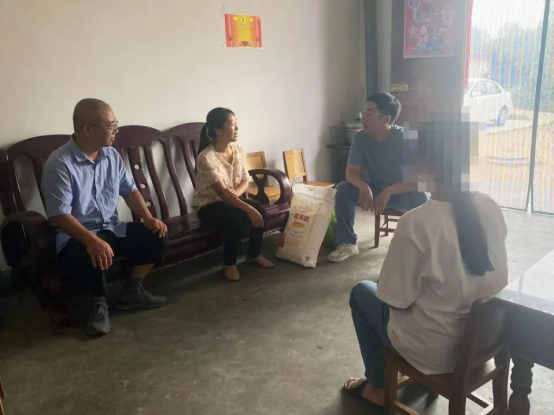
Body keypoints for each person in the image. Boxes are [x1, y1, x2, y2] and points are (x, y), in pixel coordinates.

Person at [342, 112, 509, 407]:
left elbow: (395, 300)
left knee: (361, 292)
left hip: (433, 353)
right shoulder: (488, 205)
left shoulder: (417, 222)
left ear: (427, 165)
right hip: (484, 341)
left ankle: (377, 388)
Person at [42, 98, 168, 337]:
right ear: (87, 129)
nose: (116, 130)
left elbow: (129, 190)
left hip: (111, 226)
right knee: (94, 253)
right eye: (111, 126)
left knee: (156, 236)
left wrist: (148, 217)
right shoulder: (60, 163)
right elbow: (60, 214)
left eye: (115, 124)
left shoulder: (111, 155)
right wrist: (92, 240)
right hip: (76, 235)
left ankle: (132, 289)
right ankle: (98, 304)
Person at [328, 93, 429, 263]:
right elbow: (351, 171)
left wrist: (390, 190)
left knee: (422, 197)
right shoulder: (360, 138)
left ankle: (422, 247)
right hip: (375, 190)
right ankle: (347, 243)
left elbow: (420, 180)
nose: (363, 118)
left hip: (403, 193)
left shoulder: (406, 138)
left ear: (386, 119)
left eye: (369, 113)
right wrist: (363, 186)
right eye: (363, 112)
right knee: (343, 189)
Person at [193, 108, 275, 282]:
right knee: (237, 218)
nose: (237, 128)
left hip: (231, 200)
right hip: (209, 206)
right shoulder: (206, 158)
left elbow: (245, 179)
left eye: (236, 123)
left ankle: (254, 255)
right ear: (218, 130)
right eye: (232, 124)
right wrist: (245, 207)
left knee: (260, 209)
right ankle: (229, 263)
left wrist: (236, 196)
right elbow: (223, 195)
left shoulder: (237, 149)